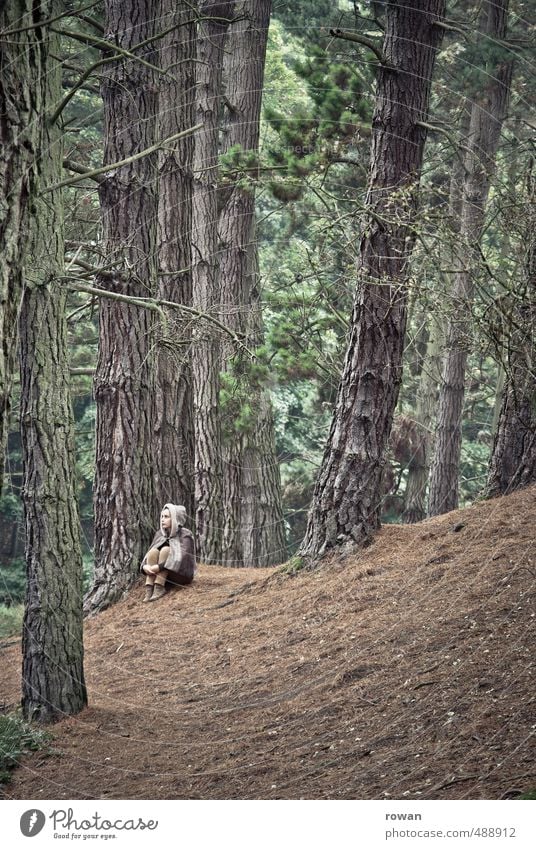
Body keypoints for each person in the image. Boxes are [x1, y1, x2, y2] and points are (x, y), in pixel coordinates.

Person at [140, 503, 196, 602]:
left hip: (181, 575)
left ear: (175, 518)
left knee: (166, 550)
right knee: (153, 552)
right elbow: (149, 554)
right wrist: (145, 567)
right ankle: (149, 588)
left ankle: (159, 587)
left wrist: (159, 567)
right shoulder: (160, 534)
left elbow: (183, 558)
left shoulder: (185, 534)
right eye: (162, 516)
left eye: (166, 517)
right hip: (165, 575)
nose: (162, 519)